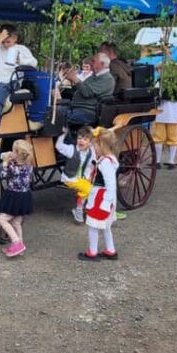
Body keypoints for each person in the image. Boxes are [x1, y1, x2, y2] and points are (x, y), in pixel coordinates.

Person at [78, 128, 120, 261]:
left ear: (101, 145)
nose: (93, 147)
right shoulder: (109, 159)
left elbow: (111, 184)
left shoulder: (105, 163)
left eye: (95, 144)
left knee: (92, 225)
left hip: (100, 197)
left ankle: (92, 252)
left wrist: (105, 203)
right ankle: (110, 250)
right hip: (104, 197)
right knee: (106, 227)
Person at [0, 139, 35, 257]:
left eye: (13, 151)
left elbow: (0, 175)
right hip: (25, 196)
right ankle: (20, 248)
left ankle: (16, 243)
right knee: (16, 222)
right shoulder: (29, 166)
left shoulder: (12, 168)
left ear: (17, 154)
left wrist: (5, 162)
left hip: (14, 196)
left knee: (2, 220)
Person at [60, 52, 116, 127]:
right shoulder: (95, 76)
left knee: (58, 117)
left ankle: (67, 138)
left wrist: (75, 79)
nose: (91, 63)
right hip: (78, 108)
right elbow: (81, 89)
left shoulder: (107, 79)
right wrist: (72, 80)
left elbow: (87, 92)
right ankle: (64, 137)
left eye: (94, 61)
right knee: (53, 112)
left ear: (102, 64)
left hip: (88, 111)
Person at [55, 126, 96, 224]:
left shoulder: (91, 152)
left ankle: (80, 210)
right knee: (89, 190)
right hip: (70, 178)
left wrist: (89, 178)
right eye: (79, 138)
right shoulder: (71, 150)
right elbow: (58, 146)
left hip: (81, 178)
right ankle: (78, 212)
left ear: (90, 143)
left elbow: (90, 166)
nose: (81, 141)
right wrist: (63, 135)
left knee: (93, 189)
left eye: (85, 139)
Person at [152, 61, 177, 169]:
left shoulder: (159, 82)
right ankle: (170, 161)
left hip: (161, 113)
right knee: (172, 137)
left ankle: (158, 161)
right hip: (173, 114)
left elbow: (155, 97)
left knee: (159, 137)